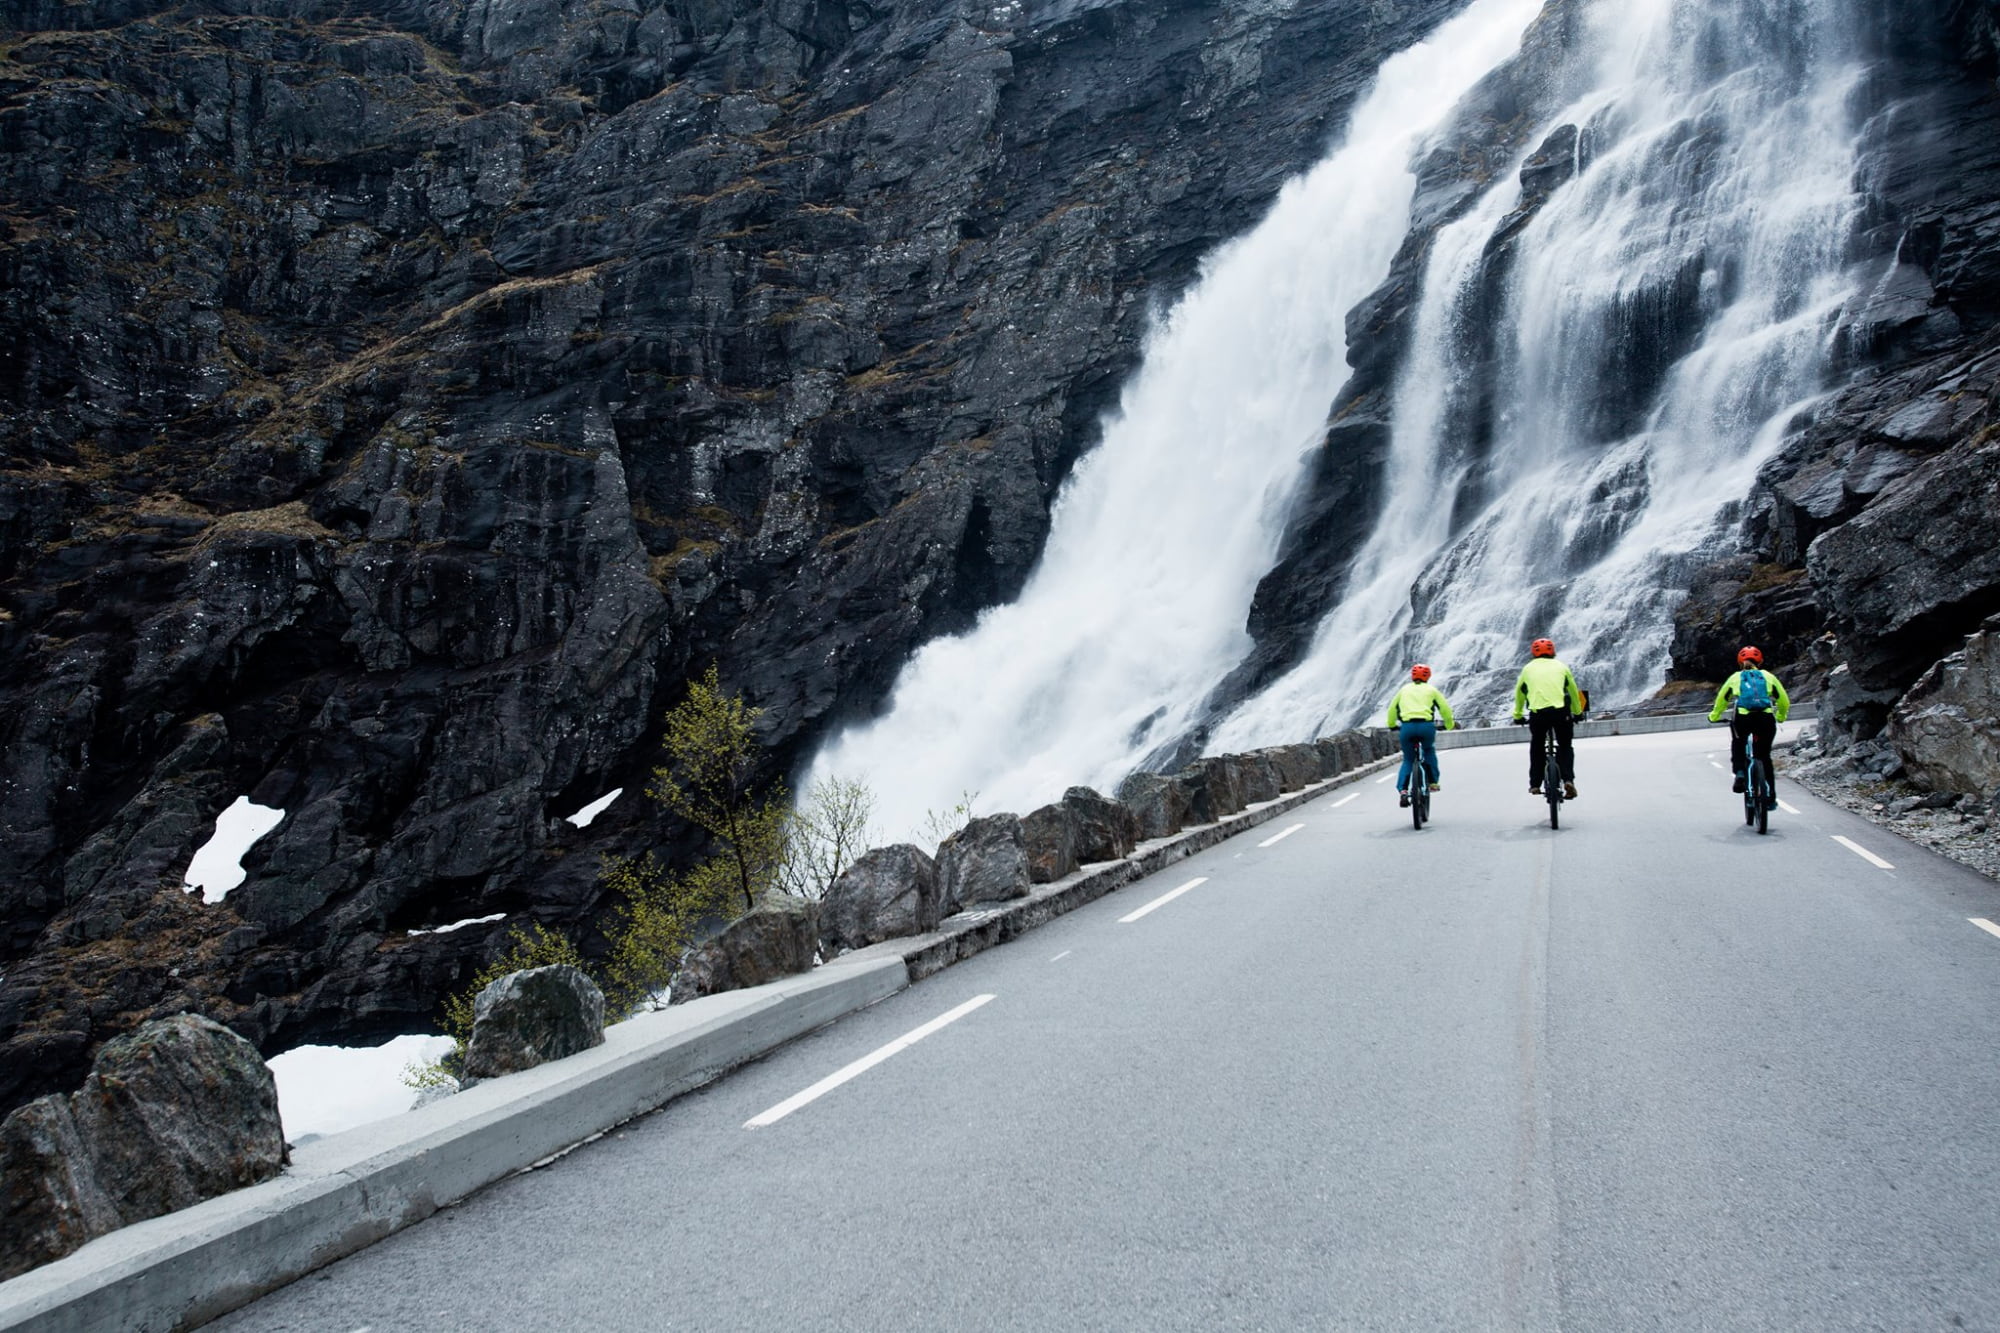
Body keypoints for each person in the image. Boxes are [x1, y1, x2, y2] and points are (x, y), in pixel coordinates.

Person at [1708, 645, 1791, 791]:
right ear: (1760, 662)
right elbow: (1783, 700)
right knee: (1764, 756)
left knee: (1739, 743)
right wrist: (1781, 716)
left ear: (1740, 662)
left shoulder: (1735, 678)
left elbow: (1722, 699)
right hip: (1765, 718)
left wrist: (1714, 716)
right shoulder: (1768, 676)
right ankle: (1770, 794)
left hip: (1743, 718)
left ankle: (1740, 772)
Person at [1512, 637, 1584, 799]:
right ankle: (1568, 779)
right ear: (1553, 652)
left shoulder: (1527, 669)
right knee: (1565, 745)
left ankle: (1535, 784)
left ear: (1533, 653)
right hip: (1560, 713)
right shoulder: (1562, 667)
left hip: (1538, 714)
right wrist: (1577, 712)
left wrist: (1517, 715)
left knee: (1537, 746)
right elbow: (1573, 692)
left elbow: (1520, 693)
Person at [1386, 664, 1456, 807]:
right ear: (1428, 676)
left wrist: (1392, 725)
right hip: (1426, 727)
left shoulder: (1404, 690)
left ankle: (1403, 790)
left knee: (1408, 760)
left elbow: (1392, 709)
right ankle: (1433, 782)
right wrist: (1449, 725)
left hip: (1407, 727)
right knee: (1429, 750)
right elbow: (1445, 709)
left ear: (1412, 676)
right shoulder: (1432, 690)